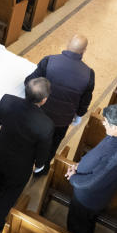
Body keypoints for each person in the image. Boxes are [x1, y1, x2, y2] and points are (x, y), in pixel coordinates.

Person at [0, 78, 54, 233]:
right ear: (44, 100)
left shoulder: (8, 100)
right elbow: (41, 154)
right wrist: (39, 166)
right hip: (20, 166)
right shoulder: (46, 124)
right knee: (8, 196)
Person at [64, 103, 117, 233]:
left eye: (106, 122)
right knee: (86, 222)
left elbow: (93, 182)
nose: (103, 123)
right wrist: (80, 165)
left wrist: (73, 177)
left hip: (88, 199)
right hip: (93, 193)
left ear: (116, 127)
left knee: (78, 228)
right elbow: (99, 156)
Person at [25, 35, 95, 170]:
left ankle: (27, 163)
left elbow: (30, 82)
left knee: (31, 139)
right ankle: (42, 169)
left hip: (39, 114)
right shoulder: (89, 74)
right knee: (52, 145)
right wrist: (79, 115)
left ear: (68, 44)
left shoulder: (49, 60)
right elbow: (85, 100)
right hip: (62, 121)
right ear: (84, 50)